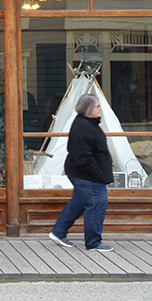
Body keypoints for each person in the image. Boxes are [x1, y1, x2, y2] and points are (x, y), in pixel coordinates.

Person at [48, 93, 114, 252]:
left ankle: (58, 232)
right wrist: (98, 173)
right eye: (97, 106)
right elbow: (82, 156)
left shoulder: (88, 123)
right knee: (96, 204)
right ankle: (93, 242)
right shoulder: (83, 127)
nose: (100, 109)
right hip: (87, 176)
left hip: (86, 174)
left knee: (78, 203)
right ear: (88, 109)